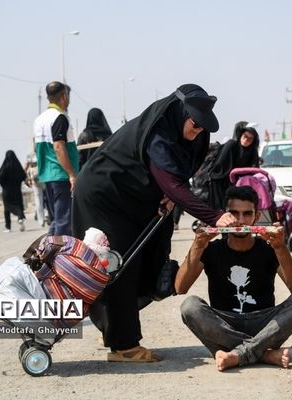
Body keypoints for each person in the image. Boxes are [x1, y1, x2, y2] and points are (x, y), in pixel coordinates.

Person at [72, 83, 236, 362]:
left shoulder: (188, 131)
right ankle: (124, 347)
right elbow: (172, 182)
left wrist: (168, 193)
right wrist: (214, 216)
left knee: (143, 260)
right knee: (118, 264)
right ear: (181, 113)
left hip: (130, 200)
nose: (198, 131)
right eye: (195, 124)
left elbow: (175, 179)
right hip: (104, 198)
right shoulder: (160, 133)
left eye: (202, 128)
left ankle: (112, 328)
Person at [175, 185, 292, 371]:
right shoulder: (212, 249)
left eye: (247, 214)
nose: (240, 220)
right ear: (225, 215)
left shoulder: (268, 247)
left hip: (265, 324)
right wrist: (197, 246)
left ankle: (234, 353)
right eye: (234, 214)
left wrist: (281, 248)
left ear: (256, 217)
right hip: (224, 323)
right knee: (190, 306)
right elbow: (180, 287)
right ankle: (262, 353)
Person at [34, 81, 79, 236]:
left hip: (47, 174)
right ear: (64, 96)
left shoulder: (39, 120)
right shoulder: (60, 117)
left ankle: (49, 253)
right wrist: (72, 174)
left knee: (56, 220)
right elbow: (59, 147)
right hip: (61, 174)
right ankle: (59, 257)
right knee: (64, 221)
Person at [207, 122, 260, 210]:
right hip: (220, 181)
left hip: (238, 184)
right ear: (241, 135)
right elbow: (220, 165)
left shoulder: (252, 152)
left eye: (250, 139)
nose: (246, 140)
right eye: (245, 136)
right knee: (221, 209)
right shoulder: (231, 145)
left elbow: (254, 169)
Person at [0, 150, 27, 233]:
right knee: (18, 206)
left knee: (7, 208)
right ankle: (20, 217)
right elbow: (23, 176)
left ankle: (8, 227)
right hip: (17, 191)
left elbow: (0, 178)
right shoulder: (18, 166)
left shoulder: (5, 166)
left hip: (7, 192)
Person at [24, 146, 48, 227]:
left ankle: (41, 220)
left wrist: (26, 178)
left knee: (38, 199)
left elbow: (26, 167)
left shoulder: (30, 155)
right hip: (45, 177)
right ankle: (47, 214)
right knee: (47, 198)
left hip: (35, 179)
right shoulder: (44, 151)